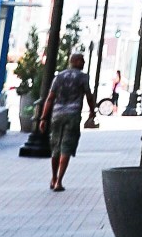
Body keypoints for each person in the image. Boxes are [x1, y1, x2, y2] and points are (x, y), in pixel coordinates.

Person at [37, 52, 97, 191]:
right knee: (67, 147)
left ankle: (53, 177)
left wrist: (43, 118)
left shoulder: (59, 76)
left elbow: (50, 98)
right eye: (82, 60)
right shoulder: (83, 77)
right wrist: (92, 112)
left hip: (57, 114)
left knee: (55, 147)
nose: (84, 63)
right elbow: (88, 95)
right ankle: (59, 181)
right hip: (73, 115)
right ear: (75, 61)